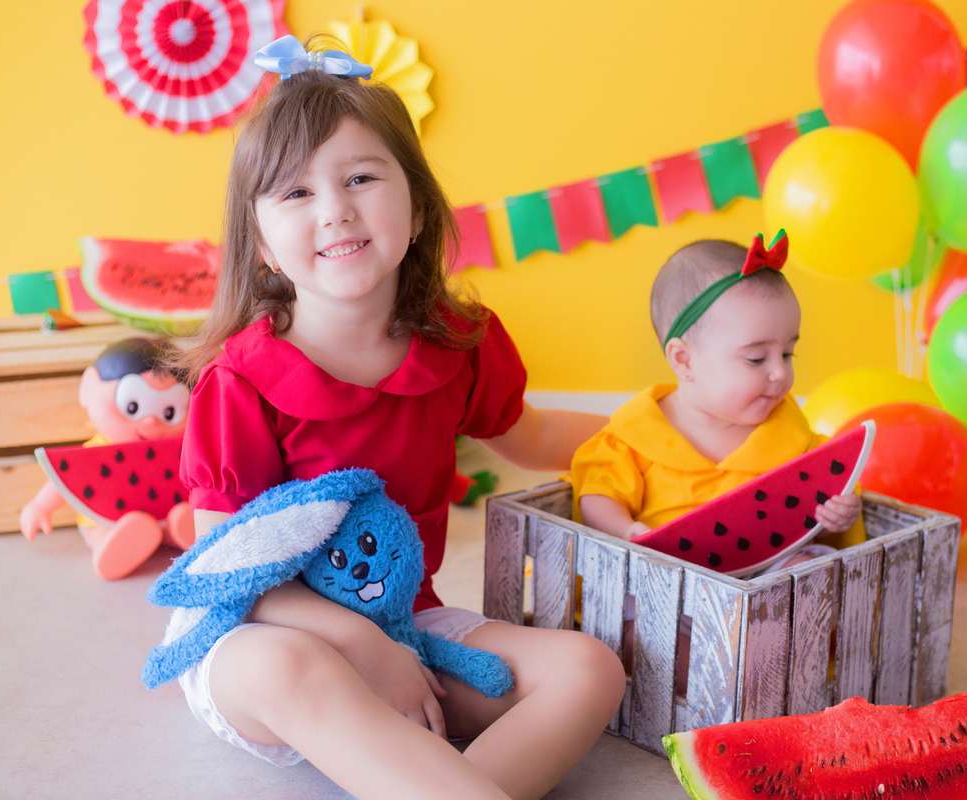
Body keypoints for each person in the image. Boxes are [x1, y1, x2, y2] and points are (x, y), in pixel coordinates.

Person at [167, 36, 625, 800]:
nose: (336, 210)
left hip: (406, 627)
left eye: (360, 177)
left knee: (589, 669)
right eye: (297, 193)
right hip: (259, 638)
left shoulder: (459, 345)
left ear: (416, 207)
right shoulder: (238, 382)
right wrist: (355, 643)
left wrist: (663, 435)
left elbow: (536, 437)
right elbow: (224, 576)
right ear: (262, 247)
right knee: (292, 663)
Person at [566, 235, 865, 567]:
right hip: (666, 575)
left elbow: (821, 500)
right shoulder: (634, 436)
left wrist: (839, 514)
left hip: (771, 573)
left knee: (808, 570)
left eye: (787, 353)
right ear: (684, 360)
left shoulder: (795, 440)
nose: (780, 372)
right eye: (755, 359)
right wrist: (627, 530)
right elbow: (598, 493)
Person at [18, 338, 195, 579]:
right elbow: (69, 477)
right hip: (102, 520)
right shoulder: (95, 452)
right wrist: (40, 506)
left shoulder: (183, 448)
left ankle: (179, 529)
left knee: (180, 513)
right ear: (88, 389)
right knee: (97, 530)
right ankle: (107, 545)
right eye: (132, 407)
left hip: (167, 511)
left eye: (169, 412)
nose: (152, 422)